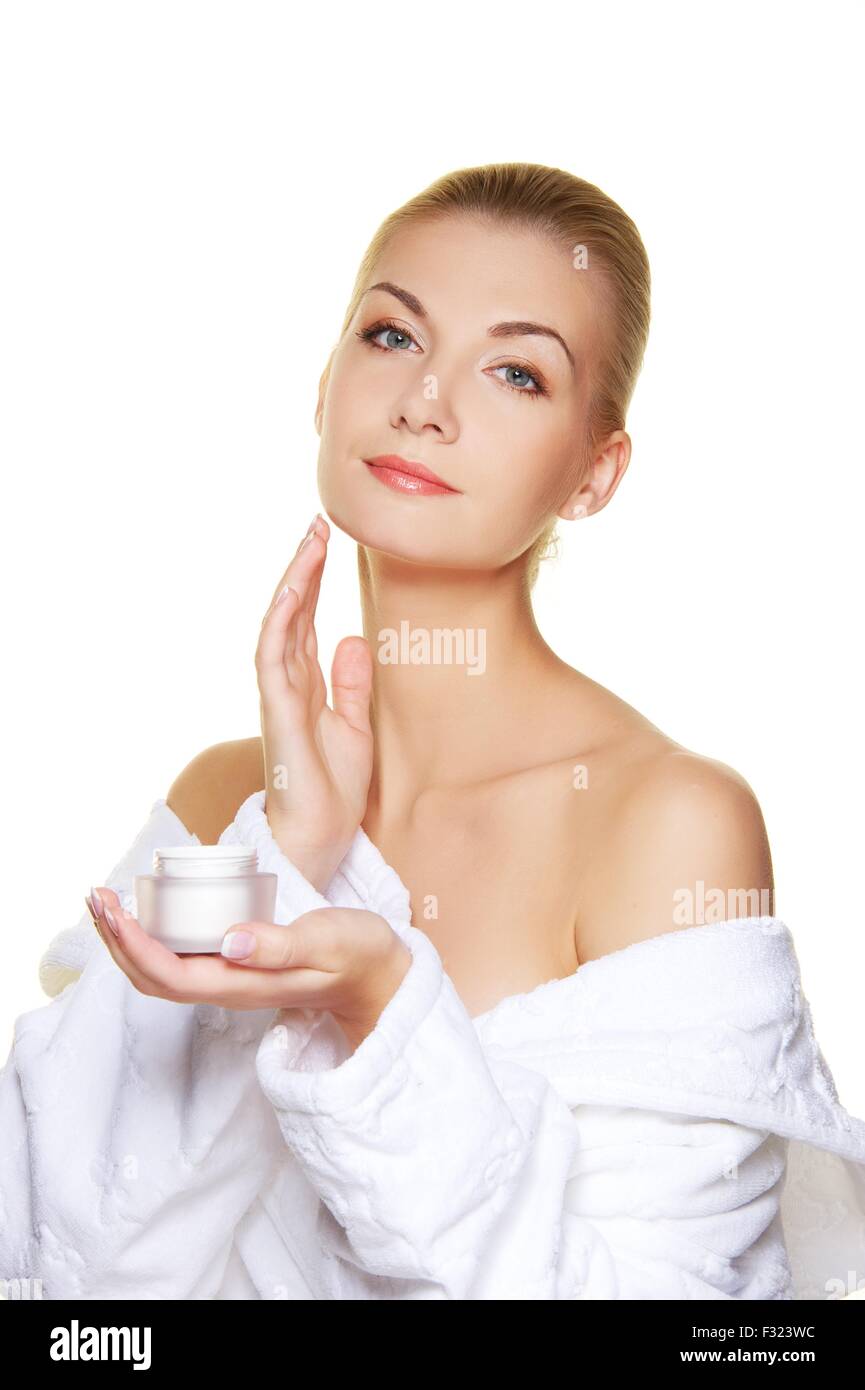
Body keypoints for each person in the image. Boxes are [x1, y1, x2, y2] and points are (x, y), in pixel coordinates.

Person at [3, 163, 865, 1301]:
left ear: (594, 475)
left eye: (516, 372)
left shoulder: (667, 822)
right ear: (322, 387)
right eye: (392, 336)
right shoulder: (235, 797)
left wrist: (377, 1018)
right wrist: (291, 861)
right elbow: (68, 1267)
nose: (426, 403)